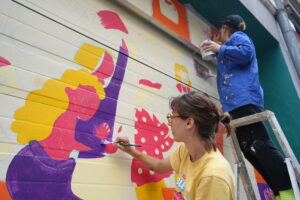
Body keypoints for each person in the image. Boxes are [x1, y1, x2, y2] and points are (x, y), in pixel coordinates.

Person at [201, 15, 295, 200]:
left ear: (226, 28)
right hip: (237, 103)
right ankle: (280, 192)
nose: (220, 35)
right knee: (248, 148)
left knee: (259, 145)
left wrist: (220, 48)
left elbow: (246, 54)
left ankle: (287, 191)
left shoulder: (239, 38)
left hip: (244, 100)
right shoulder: (228, 50)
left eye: (221, 31)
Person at [115, 91, 235, 200]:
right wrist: (131, 151)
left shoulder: (213, 176)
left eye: (173, 116)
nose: (170, 122)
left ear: (189, 123)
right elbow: (160, 166)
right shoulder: (186, 150)